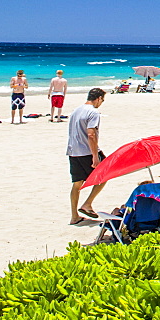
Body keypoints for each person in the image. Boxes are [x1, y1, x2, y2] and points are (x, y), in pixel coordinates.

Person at [67, 88, 107, 225]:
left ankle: (74, 216)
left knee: (77, 183)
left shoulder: (76, 110)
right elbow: (91, 134)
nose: (101, 103)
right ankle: (87, 204)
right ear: (98, 98)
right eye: (102, 100)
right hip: (87, 152)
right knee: (105, 174)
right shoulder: (94, 112)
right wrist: (95, 156)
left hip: (73, 151)